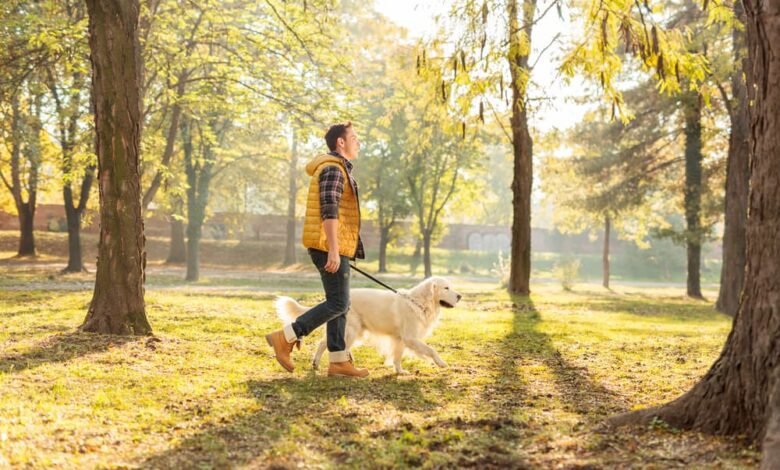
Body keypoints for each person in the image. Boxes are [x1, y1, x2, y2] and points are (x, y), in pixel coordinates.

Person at [265, 122, 369, 378]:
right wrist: (334, 250)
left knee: (341, 304)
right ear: (340, 142)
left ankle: (338, 361)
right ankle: (286, 336)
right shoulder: (333, 169)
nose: (358, 142)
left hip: (336, 246)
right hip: (328, 246)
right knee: (339, 302)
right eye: (354, 138)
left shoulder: (339, 168)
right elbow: (329, 209)